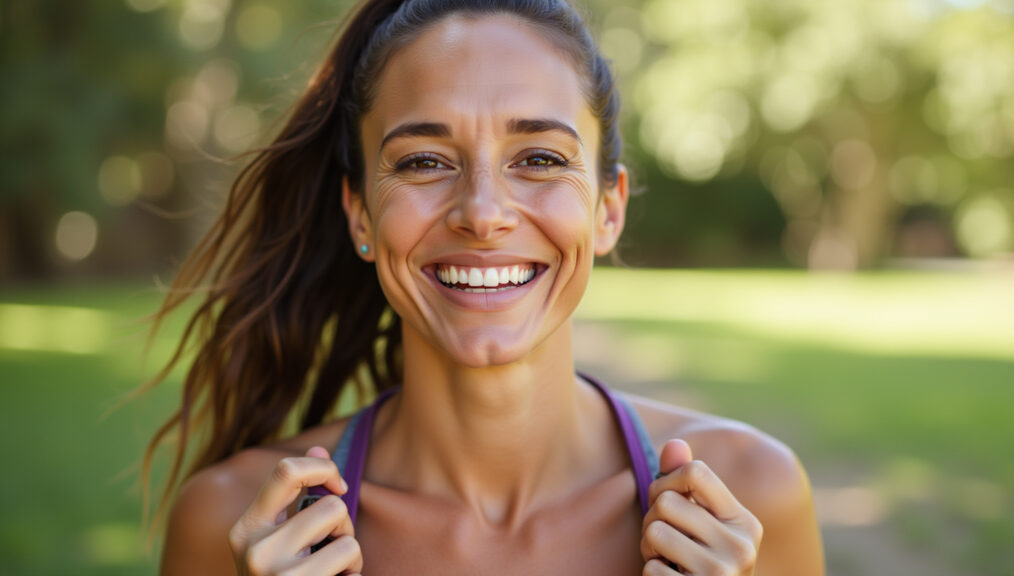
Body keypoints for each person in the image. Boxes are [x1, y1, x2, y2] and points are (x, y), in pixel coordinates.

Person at [148, 0, 824, 574]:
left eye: (539, 158)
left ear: (608, 209)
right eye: (424, 161)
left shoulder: (751, 499)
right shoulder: (236, 524)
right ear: (360, 215)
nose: (482, 213)